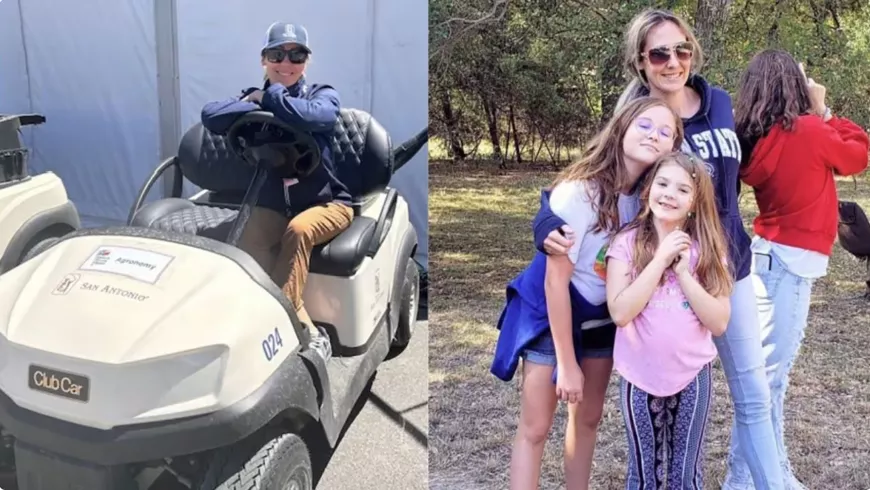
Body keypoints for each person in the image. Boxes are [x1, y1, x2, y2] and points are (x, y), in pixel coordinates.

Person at [530, 8, 787, 489]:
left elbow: (736, 180)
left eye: (682, 49)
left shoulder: (721, 103)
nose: (673, 61)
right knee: (655, 411)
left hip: (724, 265)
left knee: (752, 393)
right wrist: (544, 219)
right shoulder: (641, 117)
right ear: (641, 62)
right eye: (660, 53)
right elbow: (596, 174)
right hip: (654, 278)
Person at [490, 97, 684, 490]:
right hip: (550, 314)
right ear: (623, 127)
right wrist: (567, 362)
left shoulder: (652, 199)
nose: (654, 135)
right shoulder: (579, 192)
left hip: (602, 319)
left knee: (588, 419)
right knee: (536, 425)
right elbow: (554, 283)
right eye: (645, 125)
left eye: (666, 132)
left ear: (672, 148)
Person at [733, 49, 870, 488]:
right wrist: (823, 108)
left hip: (769, 257)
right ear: (794, 84)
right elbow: (858, 154)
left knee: (765, 379)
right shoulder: (809, 130)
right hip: (789, 265)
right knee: (768, 383)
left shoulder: (755, 138)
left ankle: (759, 476)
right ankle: (749, 480)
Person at [200, 22, 354, 361]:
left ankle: (295, 322)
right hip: (276, 206)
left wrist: (270, 97)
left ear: (306, 62)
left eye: (297, 55)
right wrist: (254, 101)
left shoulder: (320, 94)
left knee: (298, 230)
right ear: (263, 59)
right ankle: (244, 317)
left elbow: (322, 116)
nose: (287, 62)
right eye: (277, 54)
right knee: (247, 233)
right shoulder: (254, 96)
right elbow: (211, 116)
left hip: (328, 204)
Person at [606, 151, 732, 489]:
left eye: (682, 189)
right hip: (639, 377)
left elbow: (719, 322)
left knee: (685, 475)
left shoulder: (707, 248)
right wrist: (660, 260)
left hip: (692, 376)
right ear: (647, 190)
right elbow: (620, 312)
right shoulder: (626, 243)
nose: (669, 194)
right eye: (662, 183)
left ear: (694, 201)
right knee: (644, 474)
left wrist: (684, 274)